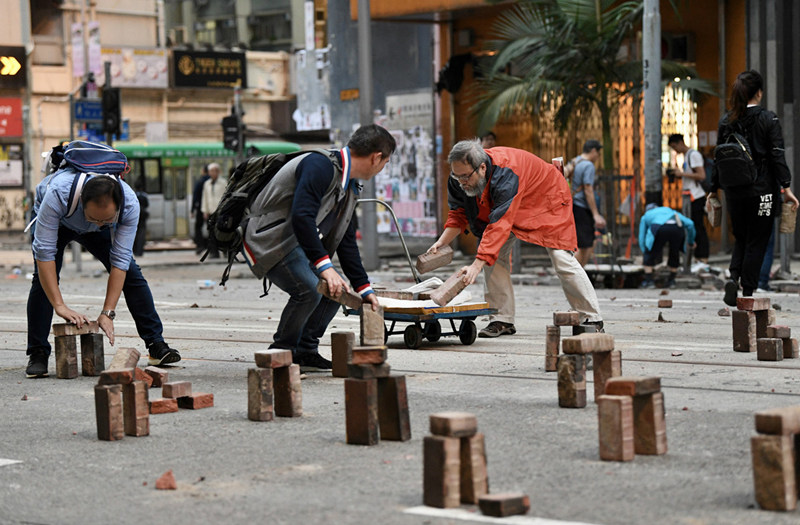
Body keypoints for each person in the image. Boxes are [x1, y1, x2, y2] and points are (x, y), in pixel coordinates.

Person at [251, 124, 394, 371]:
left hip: (294, 240)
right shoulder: (320, 166)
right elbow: (302, 217)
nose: (383, 168)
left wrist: (363, 287)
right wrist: (325, 267)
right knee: (310, 289)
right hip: (268, 238)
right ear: (376, 157)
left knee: (336, 291)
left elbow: (345, 239)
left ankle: (306, 350)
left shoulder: (349, 184)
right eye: (386, 162)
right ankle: (280, 353)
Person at [427, 139, 604, 338]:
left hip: (547, 198)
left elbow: (500, 223)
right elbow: (458, 212)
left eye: (465, 177)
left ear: (482, 168)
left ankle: (591, 317)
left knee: (561, 258)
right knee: (493, 257)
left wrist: (475, 266)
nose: (461, 182)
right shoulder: (460, 177)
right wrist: (442, 242)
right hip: (511, 203)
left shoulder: (507, 173)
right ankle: (501, 318)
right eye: (456, 176)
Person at [25, 165, 181, 378]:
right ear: (82, 203)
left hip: (96, 232)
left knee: (133, 275)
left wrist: (108, 313)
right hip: (60, 222)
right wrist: (59, 305)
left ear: (117, 208)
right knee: (42, 280)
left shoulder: (129, 204)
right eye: (94, 217)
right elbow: (44, 254)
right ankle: (38, 353)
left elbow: (120, 261)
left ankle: (156, 345)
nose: (99, 221)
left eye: (105, 219)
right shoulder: (59, 195)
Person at [707, 70, 799, 306]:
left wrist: (713, 188)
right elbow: (777, 155)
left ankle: (734, 276)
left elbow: (718, 158)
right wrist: (786, 187)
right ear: (759, 92)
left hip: (734, 192)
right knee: (758, 239)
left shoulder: (726, 121)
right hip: (763, 192)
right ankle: (747, 290)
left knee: (741, 237)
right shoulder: (768, 119)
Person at [667, 133, 709, 267]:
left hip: (696, 196)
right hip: (690, 196)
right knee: (693, 227)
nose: (675, 150)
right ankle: (697, 258)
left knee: (698, 227)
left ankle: (703, 257)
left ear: (680, 143)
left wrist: (682, 174)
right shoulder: (686, 156)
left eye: (674, 147)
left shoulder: (693, 155)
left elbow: (701, 175)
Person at [639, 203, 696, 289]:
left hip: (658, 228)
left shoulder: (646, 215)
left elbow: (642, 235)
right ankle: (671, 281)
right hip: (676, 227)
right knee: (674, 252)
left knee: (650, 254)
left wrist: (645, 251)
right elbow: (690, 224)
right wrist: (691, 241)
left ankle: (649, 281)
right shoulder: (671, 211)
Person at [572, 140, 606, 267]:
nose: (598, 156)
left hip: (574, 206)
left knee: (584, 243)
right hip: (582, 207)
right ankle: (574, 276)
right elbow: (588, 189)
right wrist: (596, 214)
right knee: (585, 245)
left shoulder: (576, 161)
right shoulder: (588, 165)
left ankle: (576, 276)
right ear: (593, 151)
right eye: (598, 153)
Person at [200, 163, 226, 259]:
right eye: (211, 171)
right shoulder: (207, 184)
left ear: (218, 172)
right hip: (211, 212)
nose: (212, 173)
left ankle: (225, 251)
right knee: (212, 234)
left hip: (221, 213)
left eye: (214, 171)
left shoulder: (223, 183)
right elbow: (205, 198)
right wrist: (205, 211)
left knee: (223, 233)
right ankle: (214, 253)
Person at [191, 164, 210, 254]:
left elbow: (195, 196)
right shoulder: (211, 181)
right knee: (210, 228)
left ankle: (200, 245)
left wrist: (192, 210)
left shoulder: (200, 181)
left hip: (200, 208)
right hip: (211, 208)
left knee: (198, 227)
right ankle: (211, 246)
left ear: (203, 171)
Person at [132, 178, 148, 257]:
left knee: (134, 233)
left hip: (135, 215)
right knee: (141, 234)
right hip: (143, 216)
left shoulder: (133, 194)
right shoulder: (144, 195)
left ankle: (135, 251)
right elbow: (147, 205)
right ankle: (140, 251)